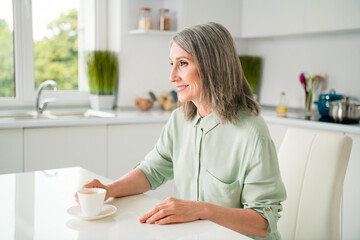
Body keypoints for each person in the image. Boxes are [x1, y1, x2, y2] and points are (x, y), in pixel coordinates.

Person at [76, 22, 286, 239]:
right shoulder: (179, 121)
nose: (172, 76)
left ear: (212, 66)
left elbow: (263, 222)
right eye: (172, 64)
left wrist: (201, 210)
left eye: (183, 63)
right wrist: (109, 190)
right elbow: (151, 171)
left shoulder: (251, 133)